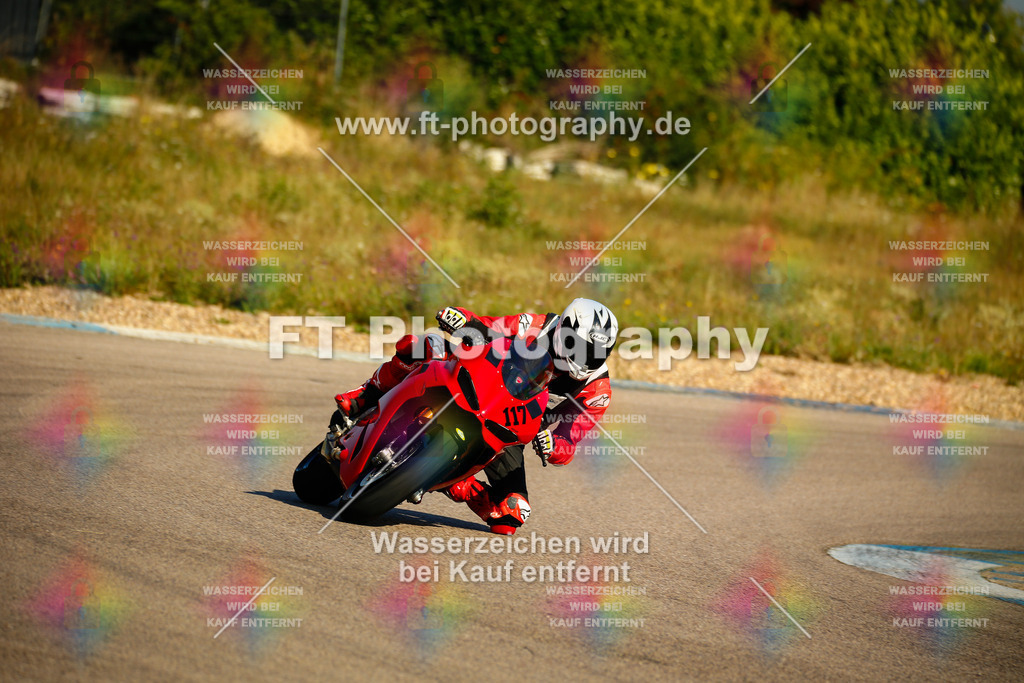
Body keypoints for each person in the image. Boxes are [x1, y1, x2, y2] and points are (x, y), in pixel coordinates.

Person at [334, 298, 618, 535]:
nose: (584, 358)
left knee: (512, 514)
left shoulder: (595, 391)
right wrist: (462, 319)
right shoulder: (535, 326)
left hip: (509, 428)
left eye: (595, 353)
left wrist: (553, 446)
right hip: (475, 382)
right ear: (563, 330)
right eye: (579, 346)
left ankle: (455, 483)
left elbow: (570, 440)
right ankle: (367, 394)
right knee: (426, 345)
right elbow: (489, 327)